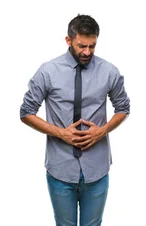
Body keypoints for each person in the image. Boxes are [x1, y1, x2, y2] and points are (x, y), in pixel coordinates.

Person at [19, 14, 130, 225]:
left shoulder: (109, 71)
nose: (87, 52)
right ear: (68, 40)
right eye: (82, 46)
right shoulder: (48, 71)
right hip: (60, 169)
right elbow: (26, 112)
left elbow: (123, 108)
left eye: (92, 46)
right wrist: (61, 133)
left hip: (96, 168)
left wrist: (102, 130)